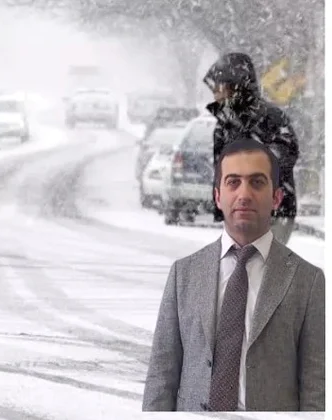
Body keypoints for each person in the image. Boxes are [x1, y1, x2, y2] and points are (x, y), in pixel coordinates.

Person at [142, 138, 324, 411]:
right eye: (233, 182)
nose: (244, 194)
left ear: (276, 197)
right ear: (218, 196)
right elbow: (161, 376)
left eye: (257, 182)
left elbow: (317, 388)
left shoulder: (307, 281)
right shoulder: (185, 274)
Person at [203, 52, 300, 244]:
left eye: (218, 87)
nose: (215, 93)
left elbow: (287, 152)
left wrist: (256, 164)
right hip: (240, 211)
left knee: (261, 266)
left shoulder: (270, 118)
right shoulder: (224, 125)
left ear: (234, 86)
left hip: (272, 211)